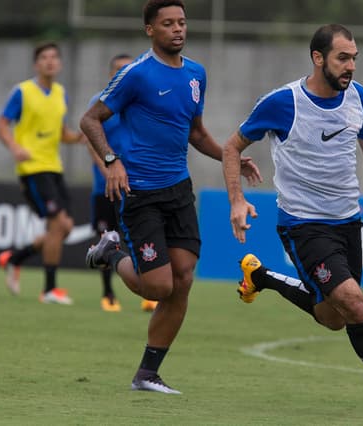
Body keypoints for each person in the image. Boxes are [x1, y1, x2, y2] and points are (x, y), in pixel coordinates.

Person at [222, 24, 363, 421]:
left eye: (354, 58)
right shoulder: (284, 102)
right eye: (342, 58)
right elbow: (232, 147)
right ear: (318, 58)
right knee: (354, 303)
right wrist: (236, 200)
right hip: (303, 226)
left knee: (332, 318)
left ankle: (260, 276)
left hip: (347, 223)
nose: (350, 66)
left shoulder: (358, 98)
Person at [81, 0, 261, 394]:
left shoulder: (196, 74)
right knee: (159, 286)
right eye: (168, 23)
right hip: (139, 193)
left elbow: (195, 132)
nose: (178, 29)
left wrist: (230, 155)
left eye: (181, 22)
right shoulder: (135, 75)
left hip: (178, 190)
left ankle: (147, 374)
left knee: (182, 279)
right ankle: (111, 251)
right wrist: (111, 161)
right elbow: (90, 119)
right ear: (150, 30)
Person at [0, 41, 83, 305]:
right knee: (57, 225)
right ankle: (49, 290)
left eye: (54, 57)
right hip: (32, 168)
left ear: (60, 63)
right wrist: (14, 147)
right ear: (36, 64)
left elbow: (61, 133)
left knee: (65, 228)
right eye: (44, 57)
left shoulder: (61, 93)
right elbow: (1, 125)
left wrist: (82, 137)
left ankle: (15, 258)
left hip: (54, 168)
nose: (50, 61)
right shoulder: (22, 92)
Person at [85, 53, 159, 313]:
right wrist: (107, 169)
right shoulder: (101, 102)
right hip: (105, 185)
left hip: (137, 184)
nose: (123, 73)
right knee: (108, 237)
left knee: (141, 237)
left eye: (128, 69)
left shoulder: (141, 103)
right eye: (119, 69)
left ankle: (149, 292)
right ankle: (108, 293)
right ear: (110, 74)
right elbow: (90, 140)